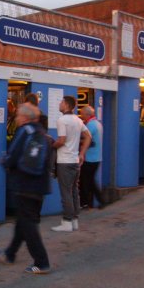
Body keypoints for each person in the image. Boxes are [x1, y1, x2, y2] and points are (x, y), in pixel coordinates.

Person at [0, 102, 53, 274]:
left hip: (24, 184)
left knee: (28, 224)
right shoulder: (43, 134)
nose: (16, 119)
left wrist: (4, 162)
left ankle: (41, 262)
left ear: (23, 117)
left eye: (17, 116)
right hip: (40, 186)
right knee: (23, 221)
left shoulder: (24, 131)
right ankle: (10, 253)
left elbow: (12, 156)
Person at [51, 96, 91, 232]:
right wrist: (82, 153)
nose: (59, 104)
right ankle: (74, 220)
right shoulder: (78, 120)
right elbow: (88, 136)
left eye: (61, 102)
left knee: (65, 192)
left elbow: (61, 140)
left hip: (64, 161)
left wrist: (52, 145)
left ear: (67, 105)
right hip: (75, 161)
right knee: (74, 190)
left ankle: (67, 222)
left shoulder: (62, 120)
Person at [78, 106, 106, 209]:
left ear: (87, 114)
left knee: (85, 181)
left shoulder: (90, 125)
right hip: (97, 157)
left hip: (89, 158)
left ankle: (86, 202)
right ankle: (97, 201)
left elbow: (88, 141)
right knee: (90, 180)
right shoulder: (98, 124)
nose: (81, 116)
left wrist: (79, 143)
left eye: (82, 113)